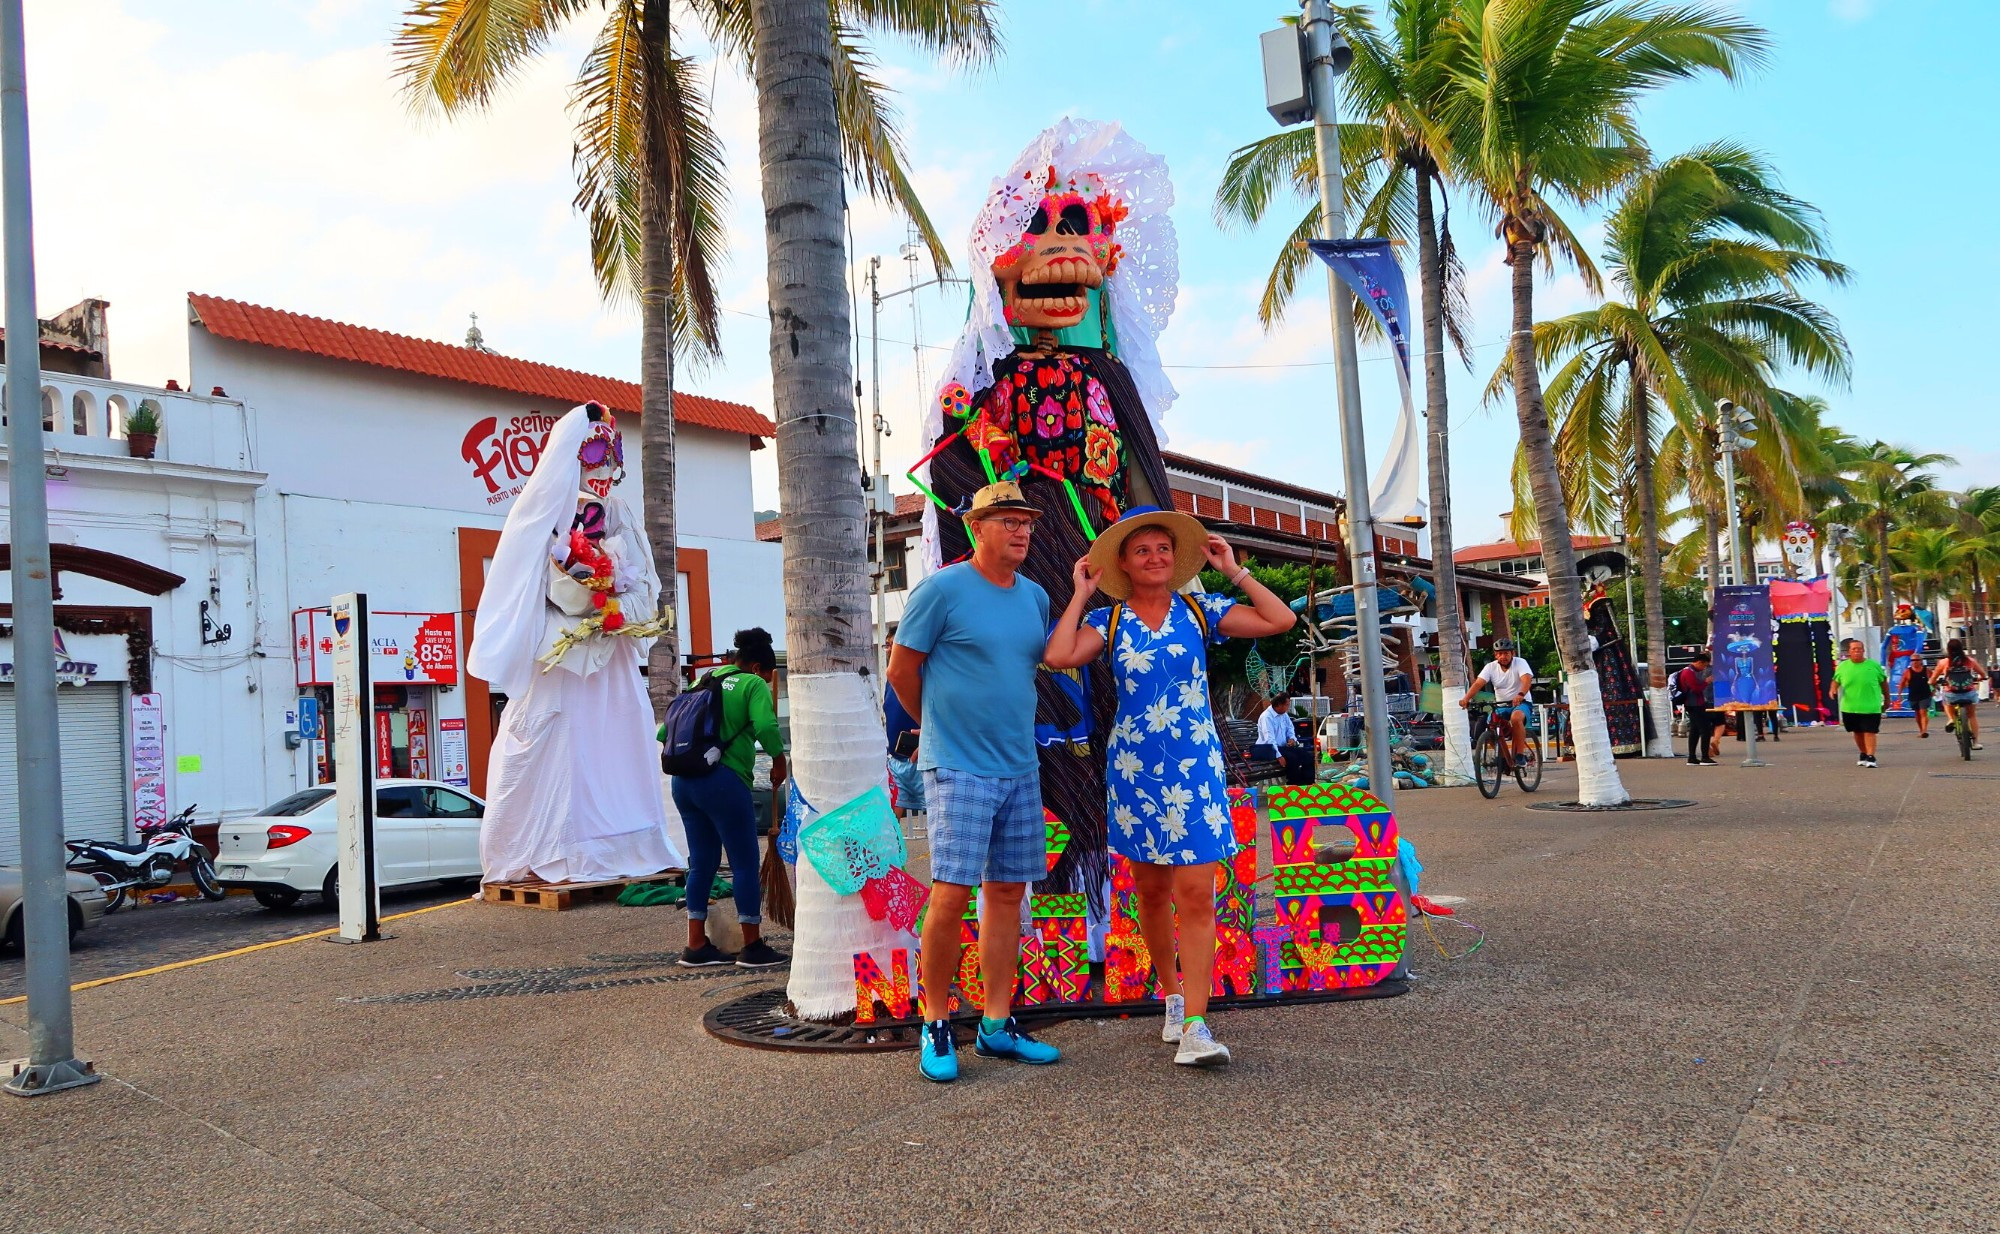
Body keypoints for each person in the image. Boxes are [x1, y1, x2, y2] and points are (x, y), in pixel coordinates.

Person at [1045, 507, 1296, 1067]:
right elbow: (1058, 655)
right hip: (1134, 771)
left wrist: (1234, 571)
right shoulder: (1110, 622)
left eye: (1163, 549)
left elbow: (1279, 621)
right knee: (1152, 893)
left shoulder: (1199, 609)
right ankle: (1174, 1000)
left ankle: (1199, 1027)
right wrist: (1080, 594)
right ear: (1123, 564)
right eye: (1142, 551)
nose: (1155, 558)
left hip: (1197, 767)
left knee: (1196, 894)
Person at [887, 481, 1062, 1083]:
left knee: (1009, 896)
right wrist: (935, 730)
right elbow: (901, 671)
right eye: (1008, 521)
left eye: (1026, 522)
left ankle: (995, 1023)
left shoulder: (1036, 597)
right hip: (957, 764)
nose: (1021, 531)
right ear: (975, 529)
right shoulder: (941, 590)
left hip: (1020, 765)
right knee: (952, 892)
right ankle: (936, 1020)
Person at [665, 628, 790, 969]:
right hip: (723, 782)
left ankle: (696, 945)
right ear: (757, 668)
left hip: (684, 782)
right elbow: (765, 726)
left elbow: (665, 731)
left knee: (701, 862)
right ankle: (752, 946)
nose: (766, 681)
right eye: (767, 675)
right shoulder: (752, 684)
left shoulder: (703, 681)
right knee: (745, 862)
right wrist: (779, 758)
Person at [1459, 640, 1534, 768]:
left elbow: (1526, 680)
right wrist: (1466, 698)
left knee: (1516, 719)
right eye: (1499, 654)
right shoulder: (1490, 667)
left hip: (1521, 703)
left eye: (1506, 653)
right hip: (1501, 705)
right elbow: (1478, 683)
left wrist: (1520, 695)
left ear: (1512, 653)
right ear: (1495, 655)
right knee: (1490, 725)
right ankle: (1504, 758)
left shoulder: (1520, 663)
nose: (1503, 657)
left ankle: (1520, 755)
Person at [882, 636, 925, 817]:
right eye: (888, 645)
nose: (891, 649)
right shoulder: (890, 679)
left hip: (922, 756)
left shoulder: (922, 672)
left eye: (895, 644)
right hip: (896, 758)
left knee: (936, 817)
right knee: (891, 817)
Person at [1831, 637, 1888, 767]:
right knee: (1857, 732)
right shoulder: (1843, 667)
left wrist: (1887, 699)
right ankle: (1863, 753)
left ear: (1863, 651)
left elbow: (1883, 682)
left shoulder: (1873, 665)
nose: (1857, 651)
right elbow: (1835, 681)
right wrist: (1832, 690)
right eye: (1854, 649)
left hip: (1871, 706)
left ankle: (1871, 756)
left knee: (1869, 731)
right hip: (1850, 707)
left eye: (1859, 649)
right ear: (1849, 652)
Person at [1254, 692, 1315, 785]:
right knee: (1292, 759)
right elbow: (1269, 739)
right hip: (1268, 748)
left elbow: (1290, 728)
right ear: (1278, 704)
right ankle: (1295, 784)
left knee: (1307, 755)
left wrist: (1292, 739)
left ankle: (1308, 782)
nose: (1288, 708)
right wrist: (1278, 756)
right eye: (1286, 705)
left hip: (1283, 747)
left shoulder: (1284, 715)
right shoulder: (1266, 717)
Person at [1933, 638, 1983, 751]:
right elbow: (1983, 674)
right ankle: (1975, 742)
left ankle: (1951, 719)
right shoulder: (1970, 661)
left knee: (1945, 699)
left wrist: (1932, 682)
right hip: (1969, 693)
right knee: (1972, 716)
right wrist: (1981, 678)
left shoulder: (1944, 662)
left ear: (1948, 649)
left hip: (1952, 694)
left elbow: (1933, 679)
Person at [1675, 652, 1720, 766]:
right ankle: (1705, 757)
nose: (1704, 668)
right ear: (1700, 662)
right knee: (1705, 730)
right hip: (1695, 704)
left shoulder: (1689, 671)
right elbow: (1695, 688)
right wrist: (1706, 682)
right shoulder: (1688, 672)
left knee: (1695, 731)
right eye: (1704, 665)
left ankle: (1692, 757)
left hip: (1693, 703)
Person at [1901, 655, 1934, 738]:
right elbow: (1902, 683)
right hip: (1913, 695)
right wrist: (1899, 694)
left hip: (1925, 694)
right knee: (1917, 713)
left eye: (1916, 660)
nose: (1914, 662)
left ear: (1921, 661)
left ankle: (1924, 730)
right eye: (1912, 660)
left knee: (1923, 712)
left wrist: (1935, 689)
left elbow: (1933, 680)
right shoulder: (1908, 671)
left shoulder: (1926, 671)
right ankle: (1921, 730)